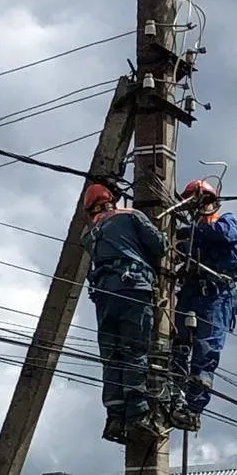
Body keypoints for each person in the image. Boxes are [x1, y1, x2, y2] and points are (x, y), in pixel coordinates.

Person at [79, 182, 167, 444]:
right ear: (111, 201)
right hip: (133, 289)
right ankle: (138, 414)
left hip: (104, 297)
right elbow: (159, 246)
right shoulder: (131, 216)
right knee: (134, 350)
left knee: (112, 357)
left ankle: (115, 418)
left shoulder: (89, 234)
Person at [167, 178, 237, 432]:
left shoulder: (225, 222)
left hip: (216, 295)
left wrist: (189, 232)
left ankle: (193, 409)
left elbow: (225, 235)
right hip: (191, 291)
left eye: (196, 204)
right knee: (177, 345)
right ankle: (173, 400)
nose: (194, 211)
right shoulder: (189, 234)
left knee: (205, 351)